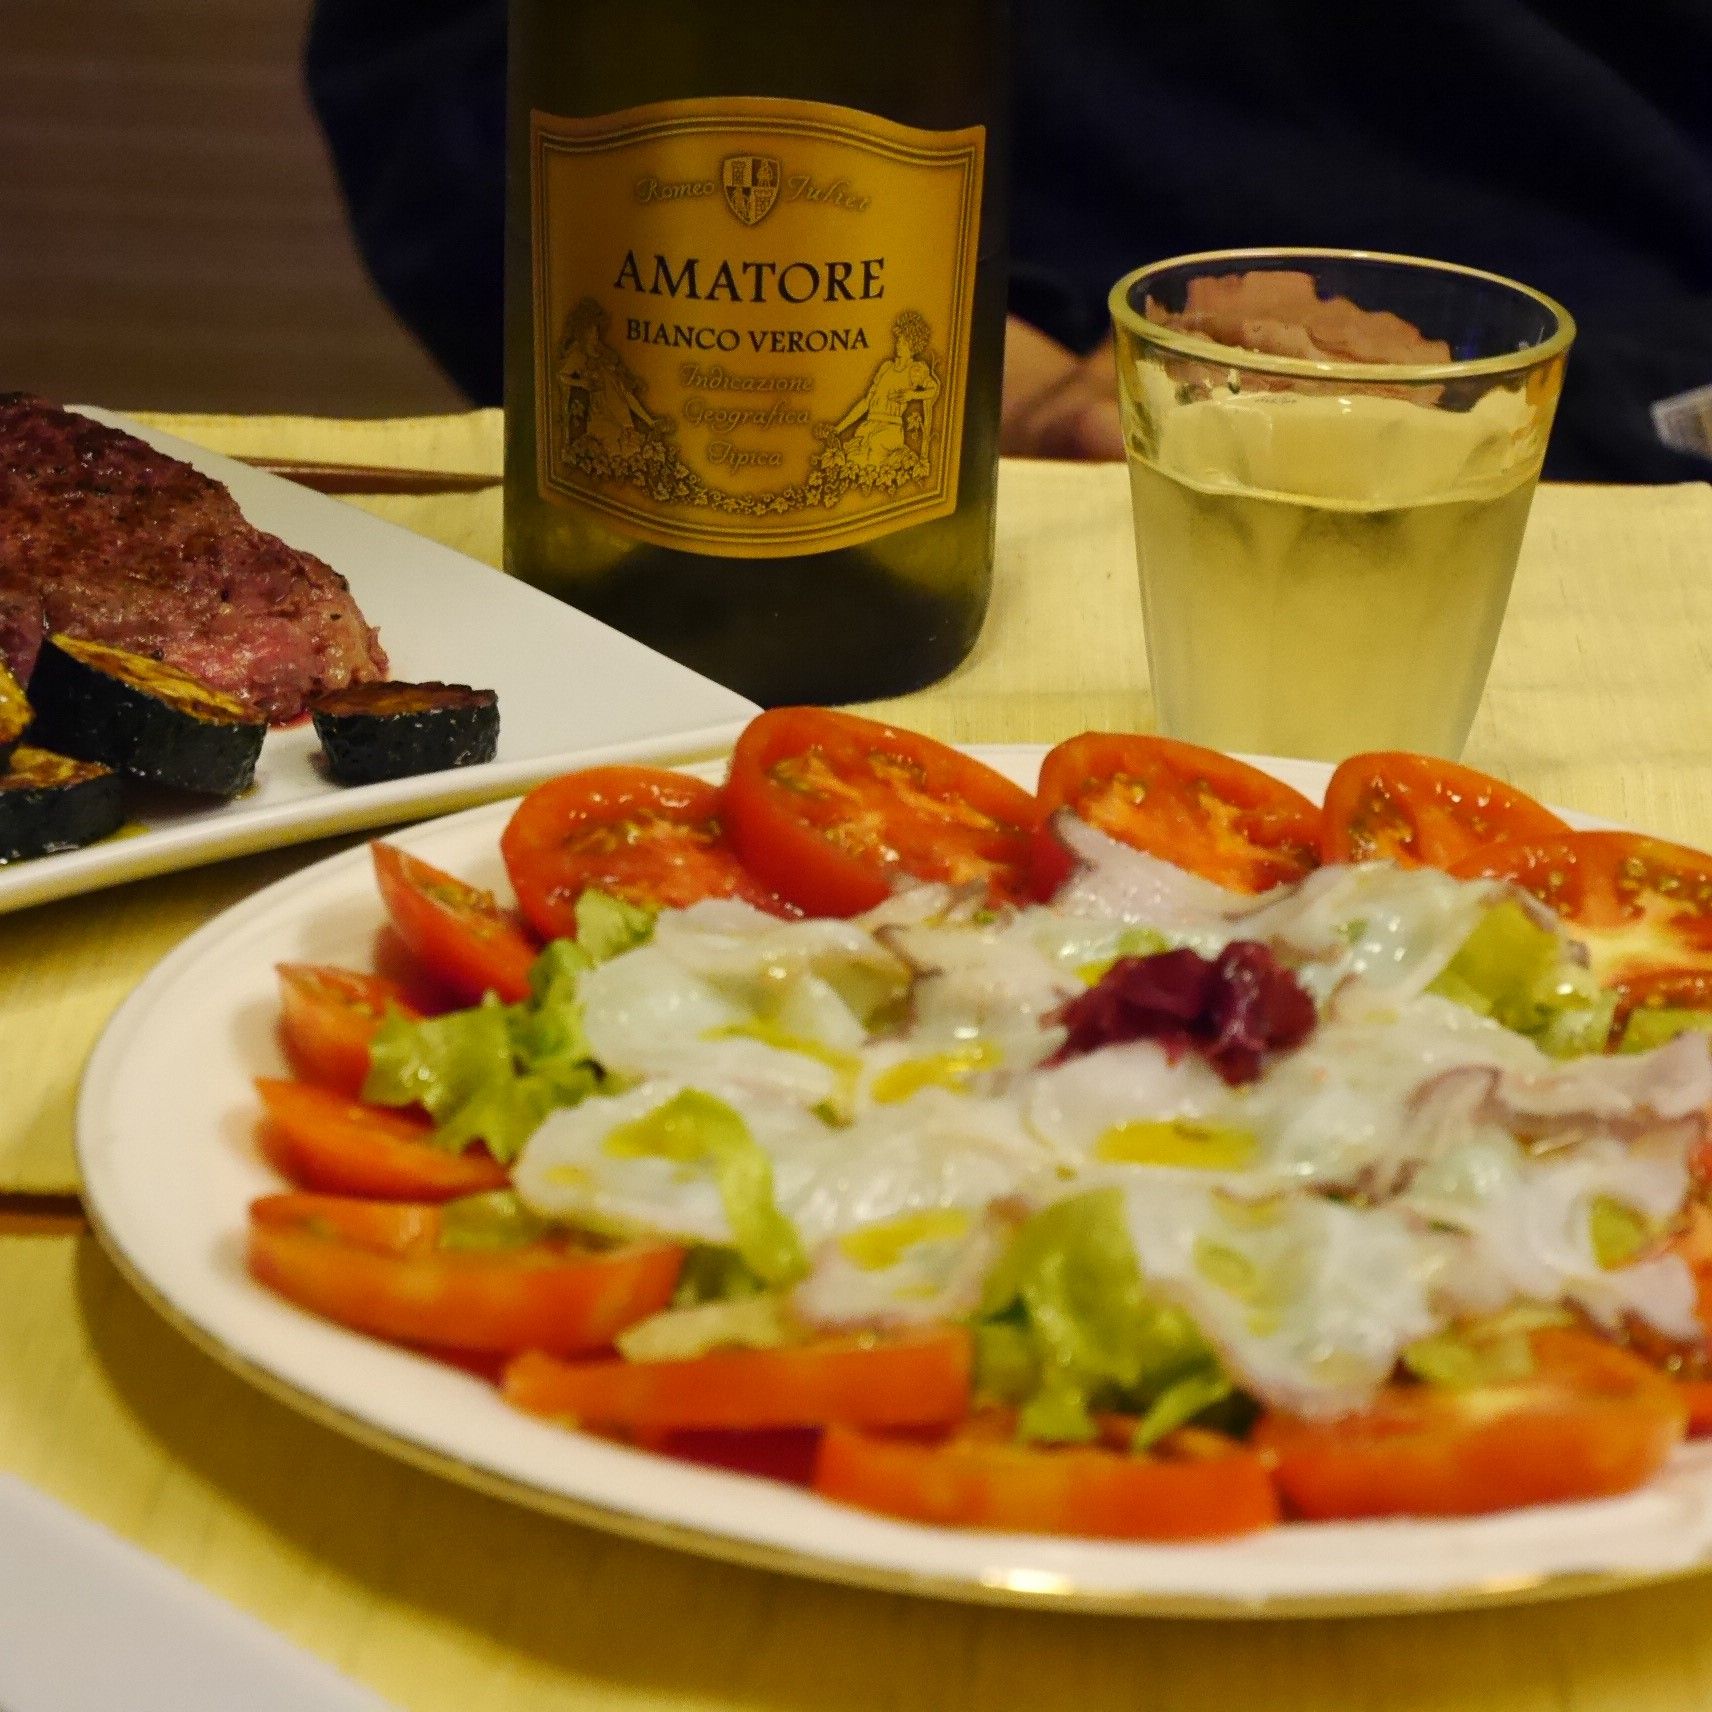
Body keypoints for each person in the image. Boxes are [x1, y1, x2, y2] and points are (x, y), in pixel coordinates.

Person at [306, 0, 1712, 482]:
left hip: (1604, 461)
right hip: (877, 427)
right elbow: (441, 64)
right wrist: (960, 354)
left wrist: (1546, 404)